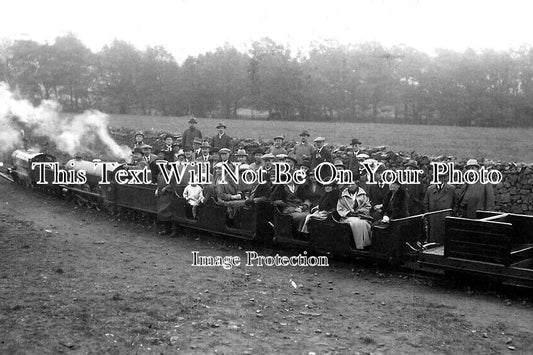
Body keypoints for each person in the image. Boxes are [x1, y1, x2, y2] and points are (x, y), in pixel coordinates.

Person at [336, 181, 372, 249]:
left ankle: (366, 244)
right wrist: (348, 212)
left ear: (357, 184)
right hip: (347, 217)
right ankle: (359, 246)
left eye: (352, 184)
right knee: (356, 222)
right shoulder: (342, 195)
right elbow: (340, 208)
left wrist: (359, 211)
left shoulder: (363, 194)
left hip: (361, 216)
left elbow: (367, 207)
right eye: (348, 184)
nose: (350, 186)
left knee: (364, 223)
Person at [423, 172, 456, 243]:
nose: (440, 179)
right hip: (433, 219)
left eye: (441, 177)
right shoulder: (430, 189)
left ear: (444, 178)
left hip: (445, 217)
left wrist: (451, 213)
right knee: (433, 240)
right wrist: (428, 215)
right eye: (438, 178)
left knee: (444, 239)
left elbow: (456, 203)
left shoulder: (451, 189)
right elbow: (425, 203)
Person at [155, 161, 176, 236]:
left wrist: (166, 188)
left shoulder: (170, 173)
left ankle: (173, 230)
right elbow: (159, 183)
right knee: (162, 213)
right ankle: (166, 229)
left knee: (170, 213)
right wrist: (157, 189)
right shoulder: (159, 174)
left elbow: (173, 184)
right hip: (162, 197)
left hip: (168, 196)